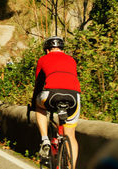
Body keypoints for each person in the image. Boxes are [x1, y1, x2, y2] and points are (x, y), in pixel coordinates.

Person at [31, 36, 81, 167]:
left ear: (47, 50)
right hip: (74, 97)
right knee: (70, 135)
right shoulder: (72, 60)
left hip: (52, 95)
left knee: (39, 106)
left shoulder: (43, 59)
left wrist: (33, 102)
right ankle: (72, 167)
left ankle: (45, 139)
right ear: (62, 49)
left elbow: (38, 84)